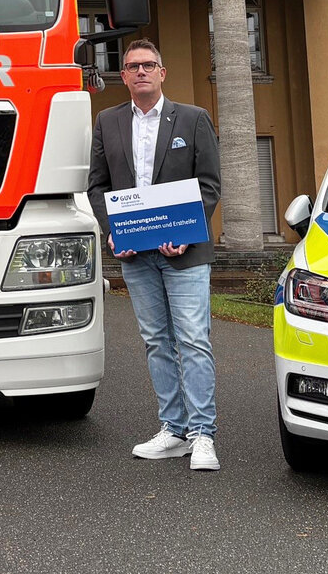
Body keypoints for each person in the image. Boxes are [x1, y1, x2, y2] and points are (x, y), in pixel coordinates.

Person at [86, 38, 223, 472]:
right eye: (131, 66)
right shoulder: (106, 122)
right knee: (156, 342)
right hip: (134, 252)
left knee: (193, 340)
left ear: (162, 73)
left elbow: (209, 184)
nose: (140, 71)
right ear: (122, 76)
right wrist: (113, 231)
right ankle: (174, 430)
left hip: (184, 252)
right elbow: (97, 186)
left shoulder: (194, 118)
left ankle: (203, 435)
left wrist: (185, 232)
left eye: (148, 65)